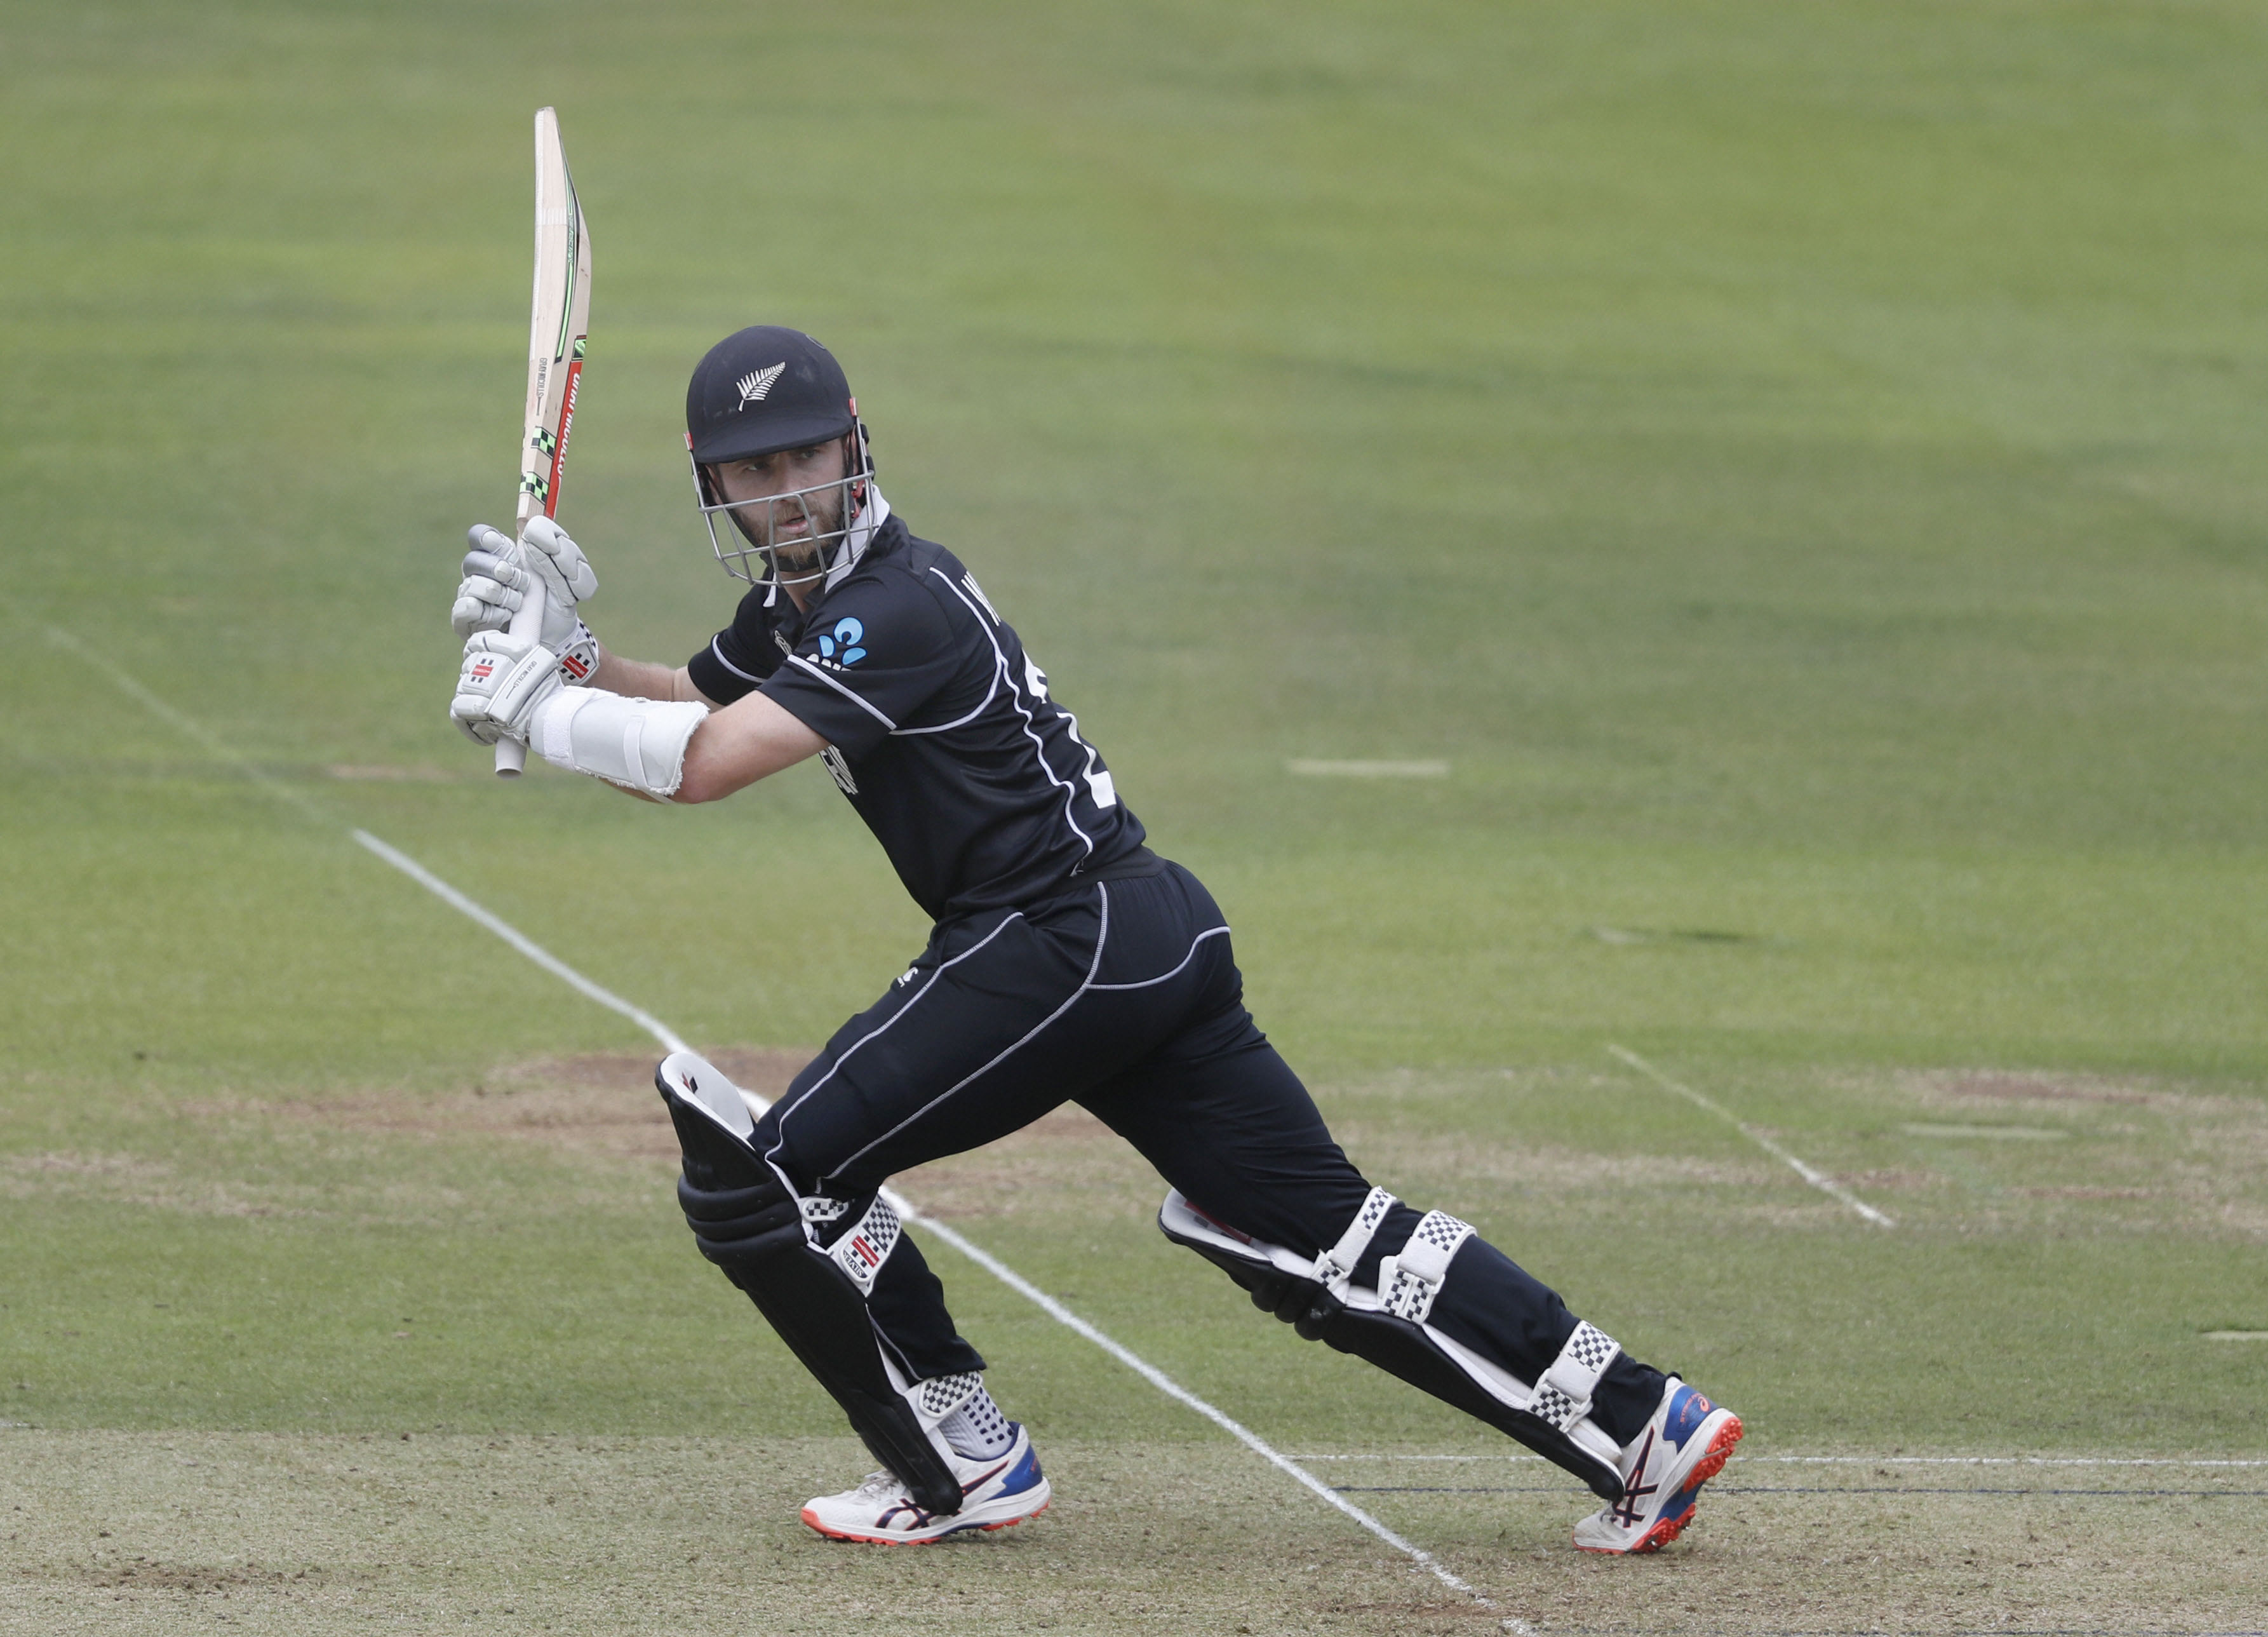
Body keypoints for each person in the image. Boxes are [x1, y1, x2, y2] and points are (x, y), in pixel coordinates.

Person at [447, 325, 1742, 1553]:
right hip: (1141, 932)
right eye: (755, 471)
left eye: (805, 458)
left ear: (854, 446)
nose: (788, 494)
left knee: (769, 1182)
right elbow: (695, 705)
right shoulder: (809, 612)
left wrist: (541, 712)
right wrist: (574, 662)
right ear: (712, 486)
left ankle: (956, 1456)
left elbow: (708, 766)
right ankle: (1645, 1423)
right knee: (1315, 1233)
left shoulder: (894, 606)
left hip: (1053, 938)